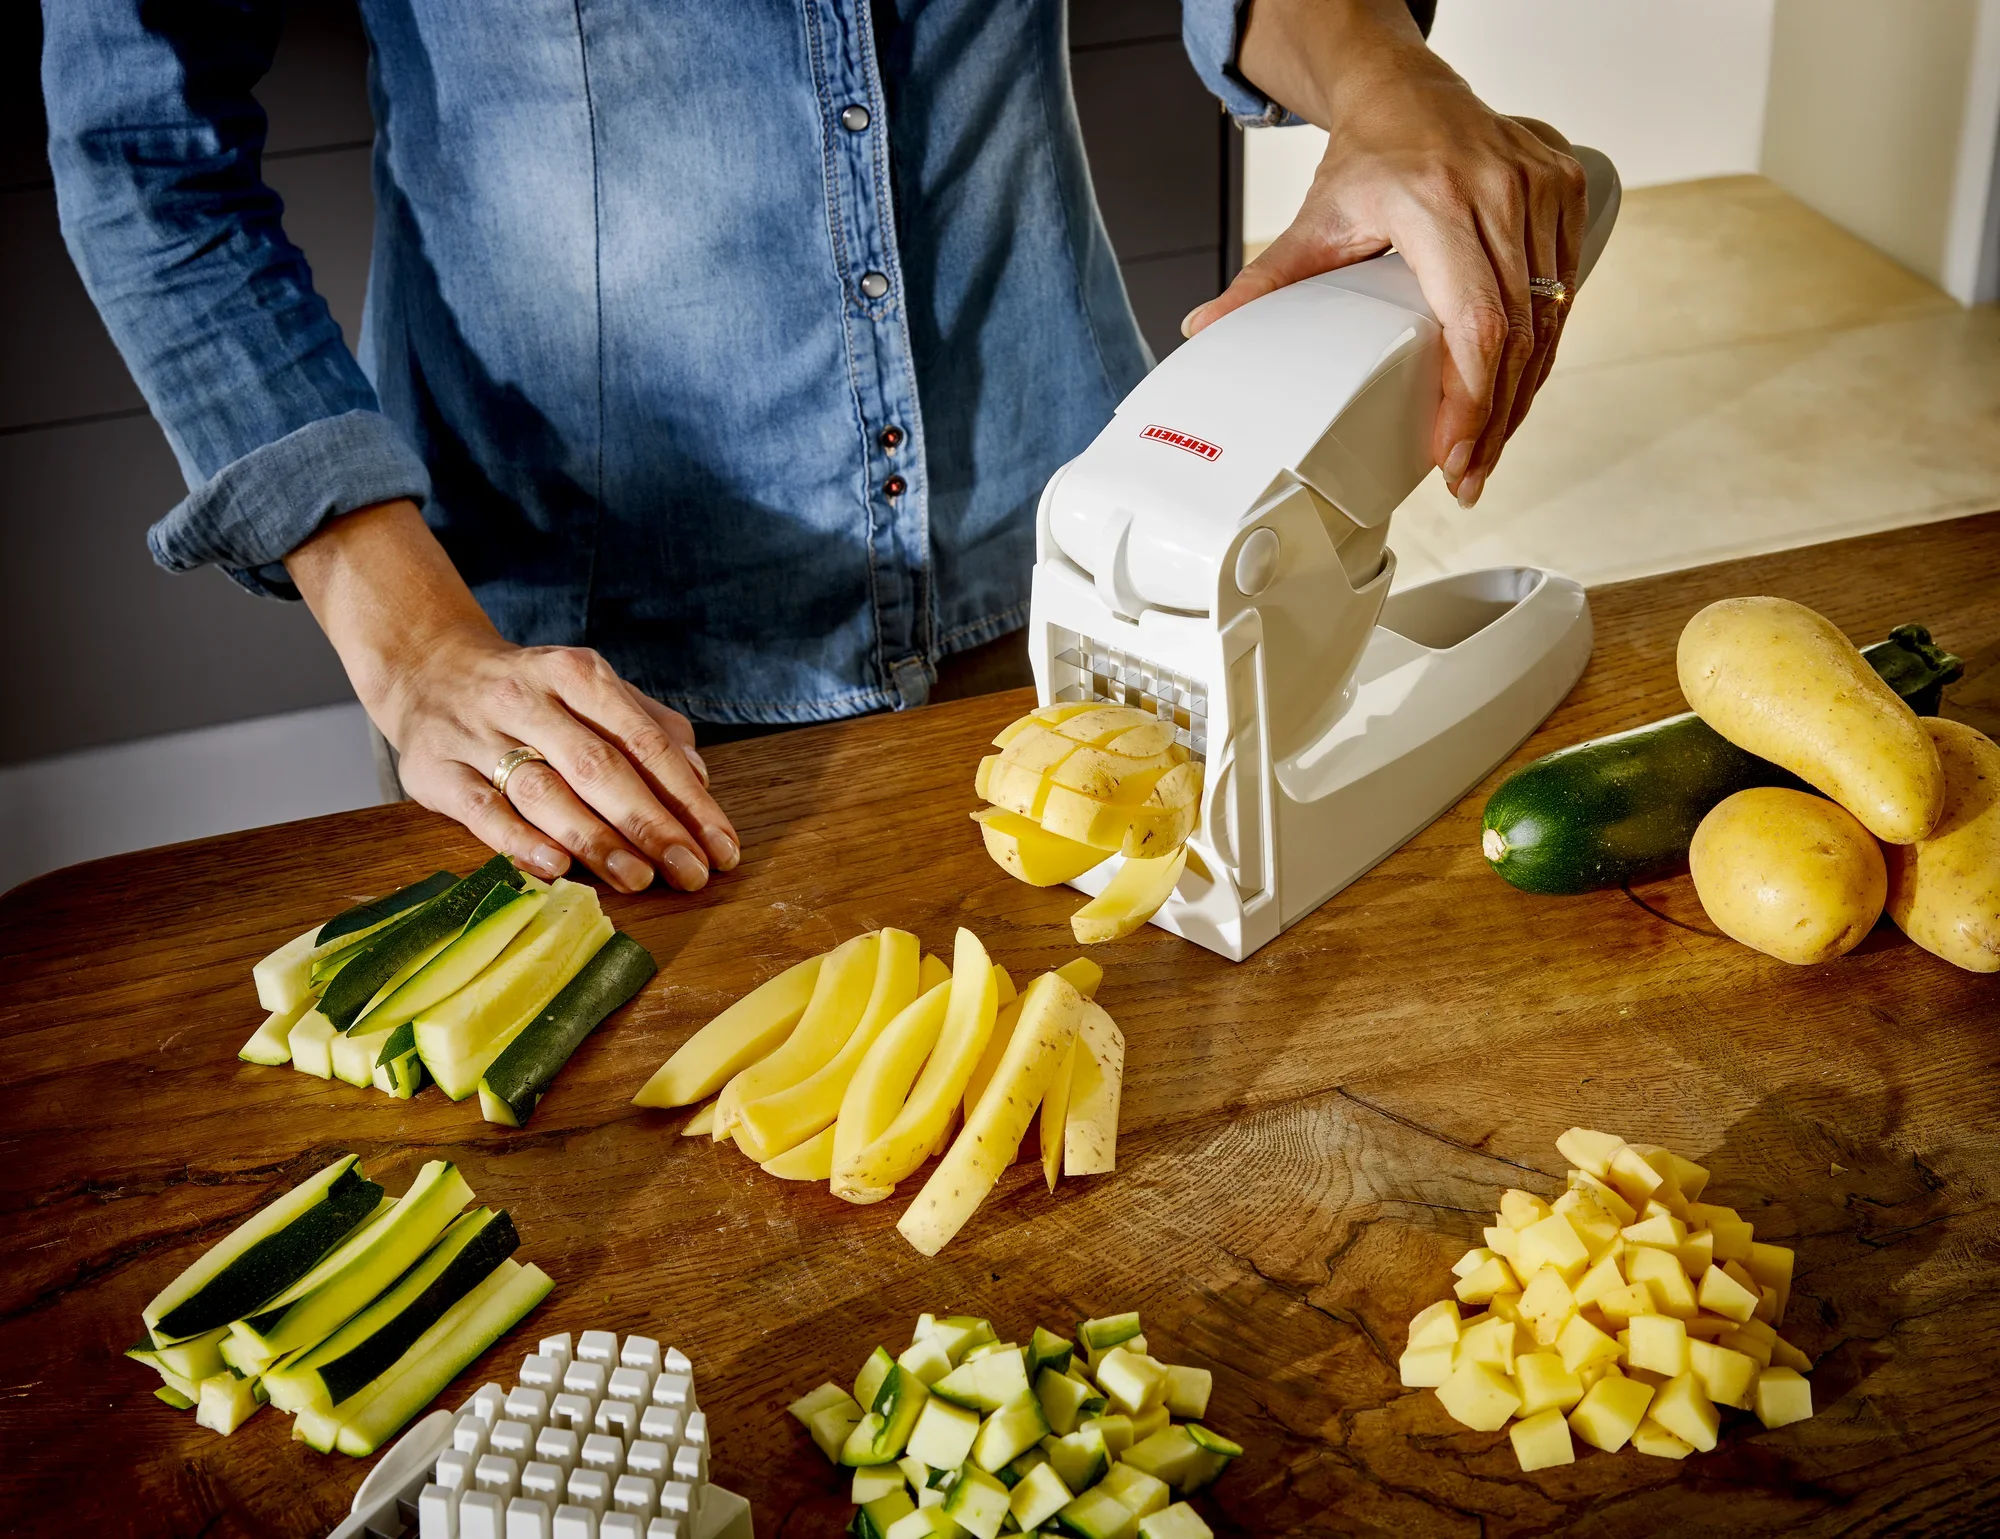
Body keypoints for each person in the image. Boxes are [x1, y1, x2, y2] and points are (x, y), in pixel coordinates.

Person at [44, 0, 1587, 898]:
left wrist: (1385, 79)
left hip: (1074, 563)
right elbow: (139, 144)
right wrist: (413, 650)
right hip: (595, 711)